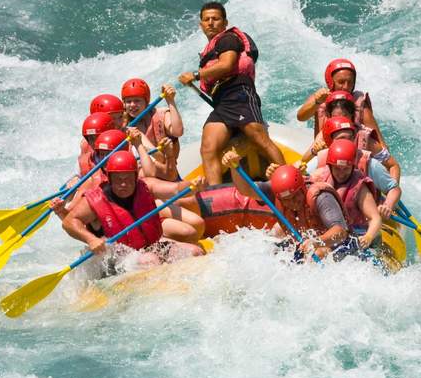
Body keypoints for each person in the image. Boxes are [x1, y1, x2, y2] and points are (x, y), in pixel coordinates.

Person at [178, 1, 285, 186]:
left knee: (259, 138)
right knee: (208, 148)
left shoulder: (227, 39)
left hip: (239, 93)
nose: (211, 23)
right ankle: (216, 199)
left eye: (215, 19)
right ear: (201, 24)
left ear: (225, 22)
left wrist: (196, 75)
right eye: (206, 19)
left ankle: (289, 180)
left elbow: (227, 65)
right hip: (222, 103)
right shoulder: (211, 48)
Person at [61, 151, 206, 268]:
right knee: (151, 261)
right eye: (118, 179)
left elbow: (176, 189)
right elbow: (68, 222)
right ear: (109, 178)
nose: (123, 184)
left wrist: (192, 185)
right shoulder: (95, 200)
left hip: (152, 246)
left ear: (136, 176)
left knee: (195, 252)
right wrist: (91, 239)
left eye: (128, 178)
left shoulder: (146, 186)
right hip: (119, 260)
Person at [221, 151, 346, 259]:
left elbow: (340, 232)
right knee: (268, 247)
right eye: (287, 200)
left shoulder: (321, 197)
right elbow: (246, 190)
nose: (293, 202)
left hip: (338, 248)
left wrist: (316, 242)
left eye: (296, 195)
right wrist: (234, 167)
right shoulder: (276, 192)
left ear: (303, 188)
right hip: (304, 245)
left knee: (319, 252)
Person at [310, 116, 402, 218]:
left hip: (363, 217)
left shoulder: (369, 163)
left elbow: (394, 188)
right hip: (329, 214)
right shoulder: (320, 158)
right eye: (341, 139)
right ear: (330, 141)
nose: (348, 142)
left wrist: (387, 205)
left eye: (351, 138)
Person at [296, 58, 388, 149]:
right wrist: (317, 101)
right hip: (324, 152)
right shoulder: (320, 98)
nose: (346, 87)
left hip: (354, 157)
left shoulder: (360, 106)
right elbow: (301, 117)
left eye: (350, 82)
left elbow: (381, 145)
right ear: (330, 82)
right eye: (341, 82)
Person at [310, 139, 383, 252]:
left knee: (321, 252)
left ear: (353, 167)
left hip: (354, 234)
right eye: (337, 168)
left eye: (346, 169)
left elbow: (375, 218)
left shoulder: (359, 186)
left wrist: (368, 236)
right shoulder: (317, 178)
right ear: (330, 166)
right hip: (328, 234)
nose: (341, 173)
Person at [121, 78, 183, 181]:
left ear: (146, 101)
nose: (132, 105)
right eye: (128, 101)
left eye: (137, 100)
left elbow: (177, 131)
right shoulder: (123, 123)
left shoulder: (161, 114)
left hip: (167, 169)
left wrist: (170, 101)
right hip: (142, 174)